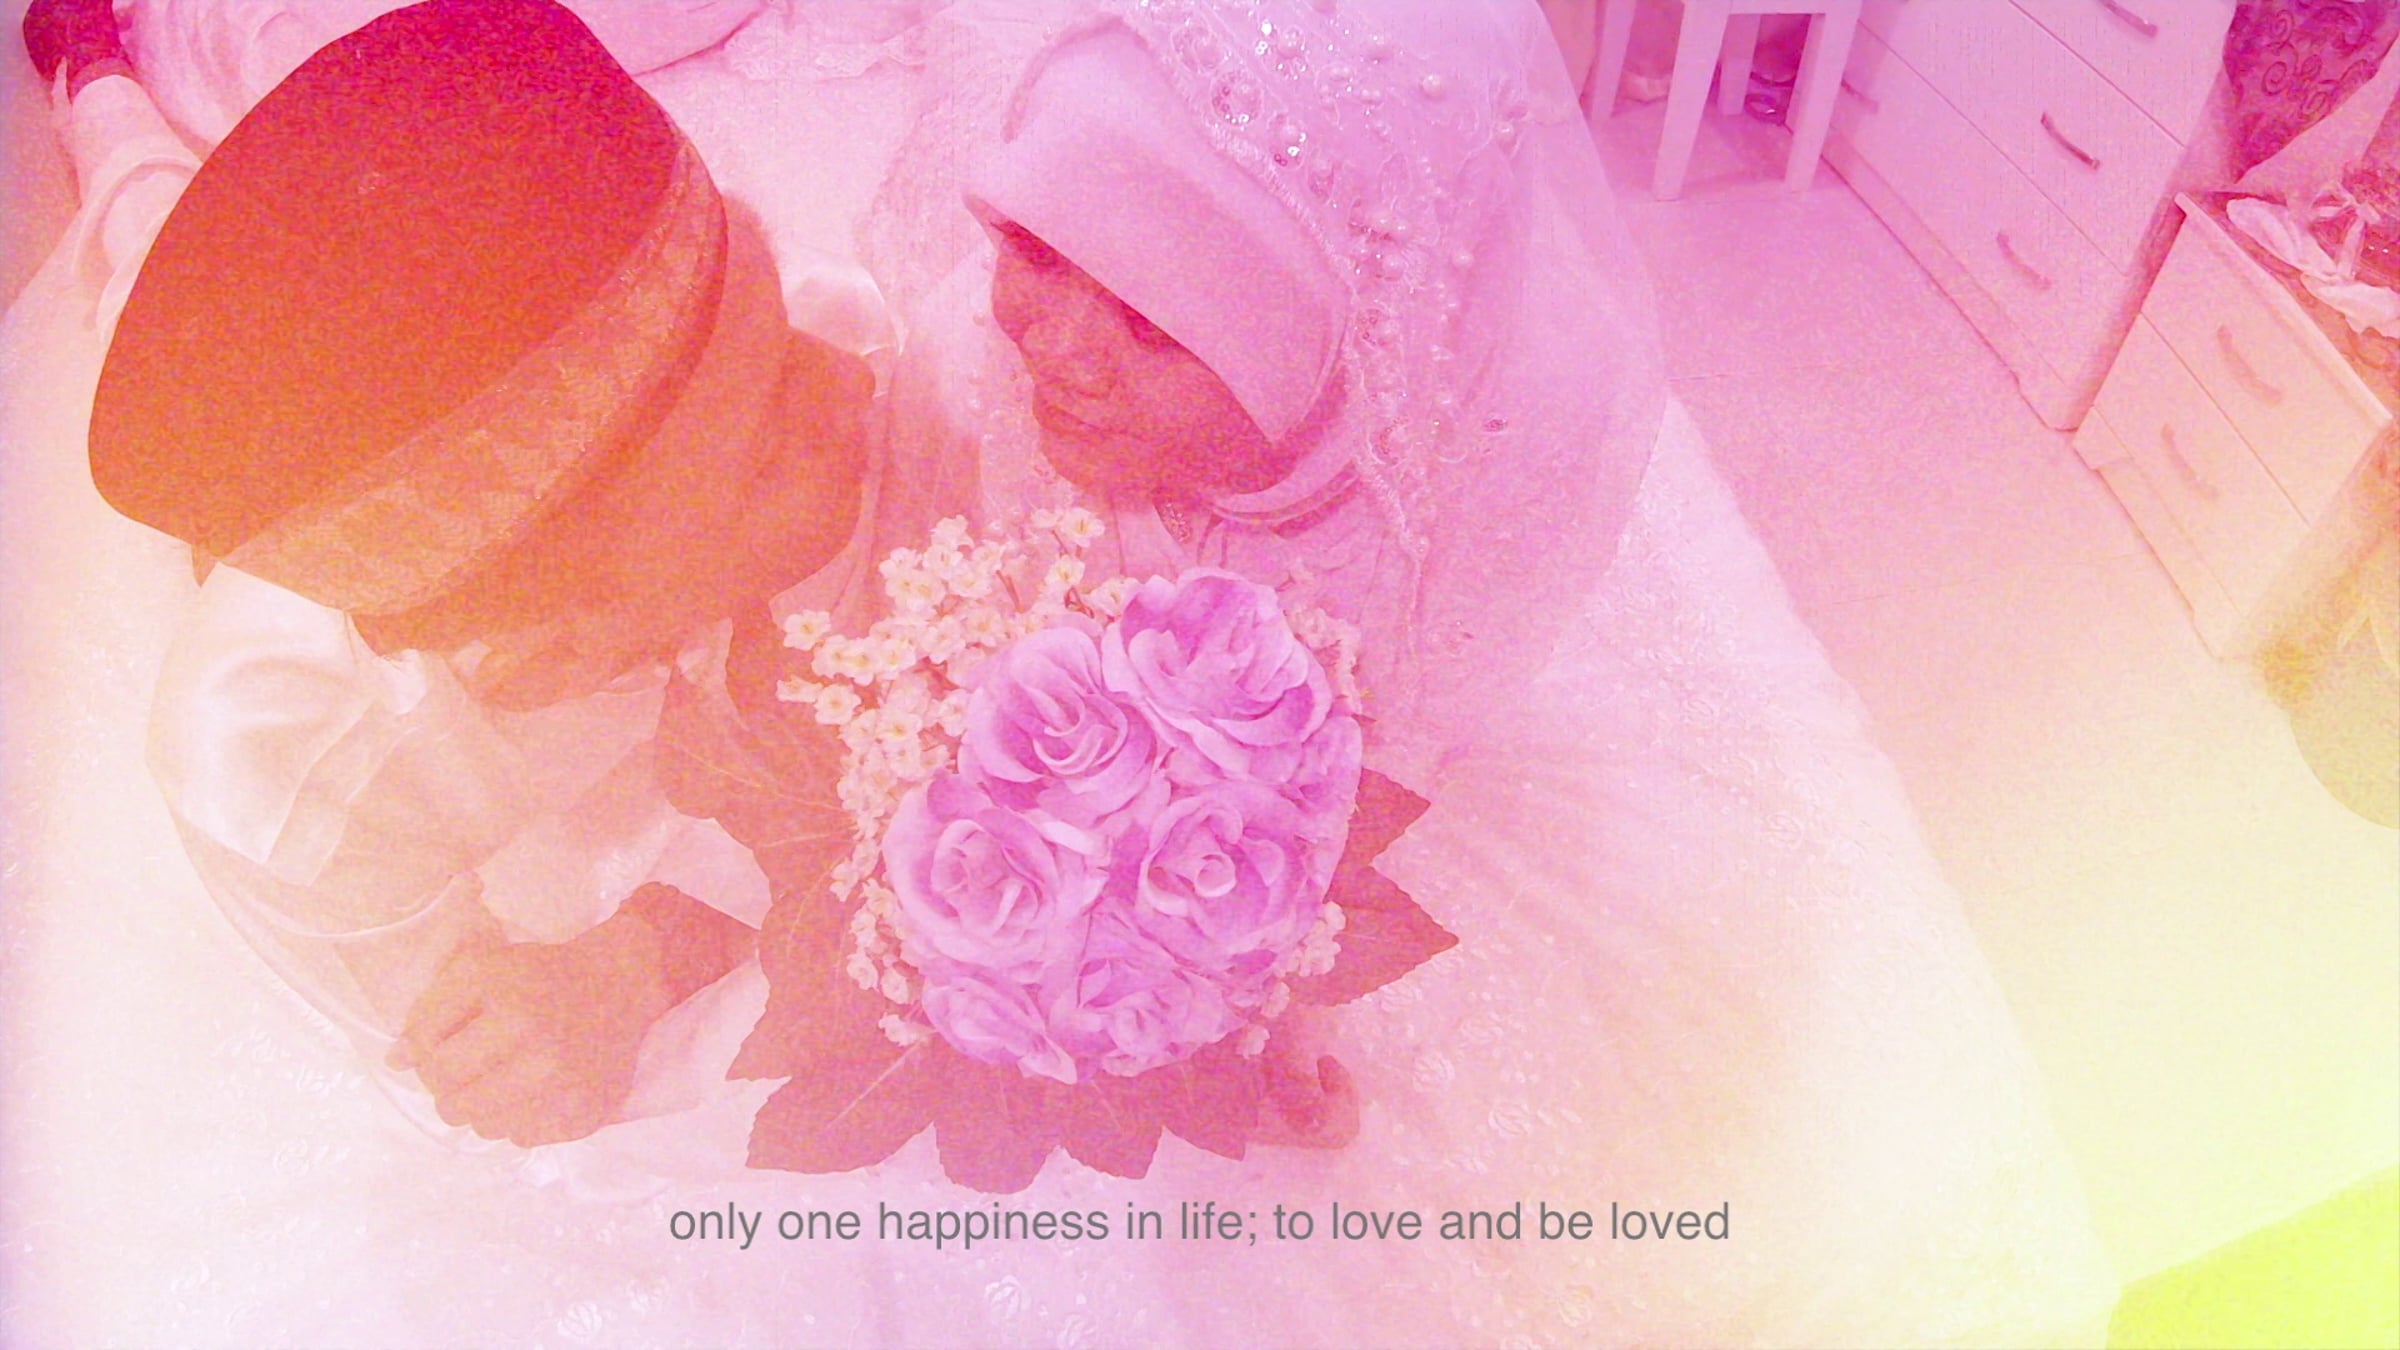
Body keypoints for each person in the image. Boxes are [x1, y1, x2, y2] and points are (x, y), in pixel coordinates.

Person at [794, 0, 2121, 1342]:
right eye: (1035, 243)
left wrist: (1254, 970)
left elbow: (1385, 745)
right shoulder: (982, 360)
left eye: (1150, 315)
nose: (1057, 347)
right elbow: (932, 634)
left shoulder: (1493, 459)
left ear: (1311, 330)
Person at [75, 0, 882, 1155]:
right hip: (309, 560)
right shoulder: (285, 767)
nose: (854, 383)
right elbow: (483, 1050)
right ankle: (93, 86)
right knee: (141, 261)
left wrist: (648, 945)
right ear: (552, 654)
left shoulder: (730, 350)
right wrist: (585, 991)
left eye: (779, 338)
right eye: (763, 447)